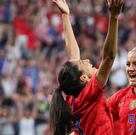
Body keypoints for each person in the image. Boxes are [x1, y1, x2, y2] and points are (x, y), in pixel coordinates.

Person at [49, 0, 124, 135]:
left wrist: (65, 15)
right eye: (83, 63)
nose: (87, 60)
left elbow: (73, 55)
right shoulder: (89, 93)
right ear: (84, 78)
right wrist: (114, 17)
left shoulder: (73, 99)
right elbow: (109, 57)